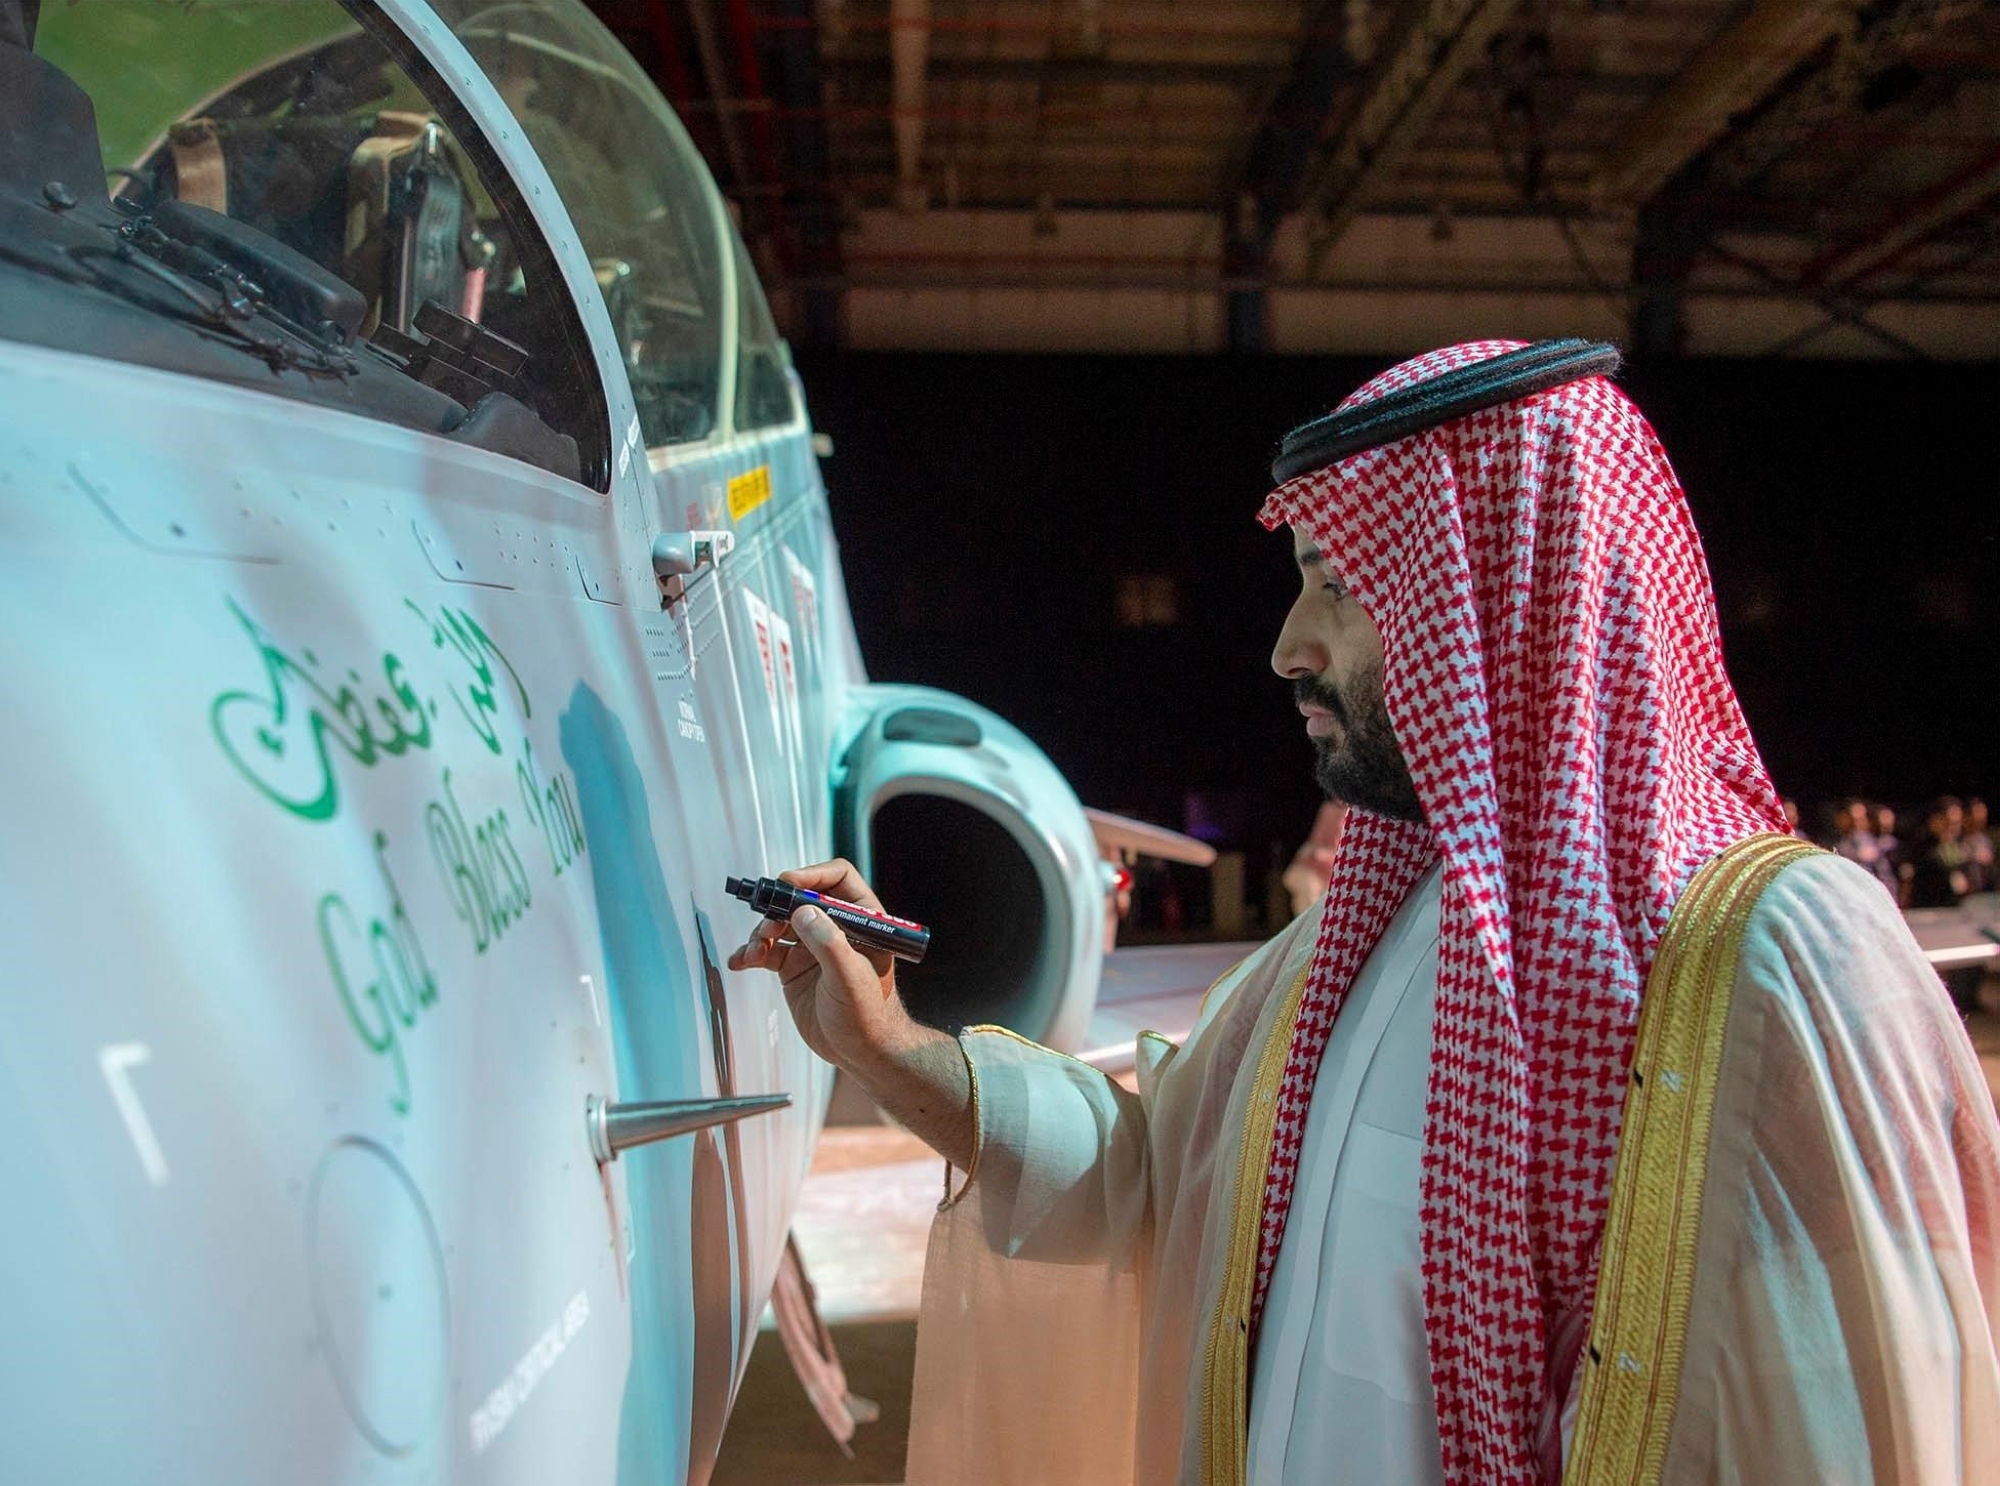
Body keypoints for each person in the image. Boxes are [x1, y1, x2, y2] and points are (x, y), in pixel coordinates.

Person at [734, 341, 2000, 1485]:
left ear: (1502, 590)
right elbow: (1149, 1186)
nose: (1288, 645)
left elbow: (1882, 1424)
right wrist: (887, 1049)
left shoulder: (1786, 959)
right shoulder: (1336, 961)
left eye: (1340, 585)